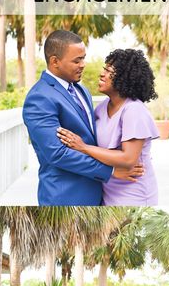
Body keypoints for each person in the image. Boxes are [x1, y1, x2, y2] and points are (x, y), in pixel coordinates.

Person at [22, 30, 142, 205]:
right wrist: (110, 171)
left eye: (83, 58)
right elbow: (57, 153)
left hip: (98, 194)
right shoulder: (39, 98)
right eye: (76, 60)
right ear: (55, 61)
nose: (83, 64)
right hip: (65, 197)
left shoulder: (81, 90)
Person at [57, 48, 159, 206]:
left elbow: (128, 159)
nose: (102, 74)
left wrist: (83, 147)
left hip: (134, 192)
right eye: (104, 69)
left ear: (125, 78)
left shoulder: (134, 110)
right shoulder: (102, 108)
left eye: (108, 71)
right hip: (108, 189)